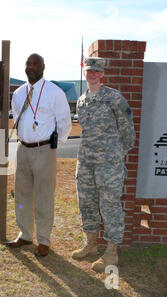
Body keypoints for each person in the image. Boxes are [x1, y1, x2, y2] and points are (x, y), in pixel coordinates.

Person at [71, 57, 135, 272]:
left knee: (110, 206)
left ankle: (111, 253)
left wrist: (116, 155)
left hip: (109, 164)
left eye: (96, 71)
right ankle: (90, 244)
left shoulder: (114, 98)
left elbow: (128, 131)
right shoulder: (82, 101)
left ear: (102, 74)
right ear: (85, 73)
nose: (92, 74)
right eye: (89, 70)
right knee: (86, 203)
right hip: (86, 161)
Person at [6, 53, 72, 256]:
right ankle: (25, 235)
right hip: (22, 149)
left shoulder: (54, 92)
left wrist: (54, 142)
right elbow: (17, 117)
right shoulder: (18, 94)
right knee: (22, 194)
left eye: (35, 64)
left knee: (44, 196)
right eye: (28, 63)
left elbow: (64, 121)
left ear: (43, 67)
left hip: (44, 150)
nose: (31, 67)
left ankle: (43, 240)